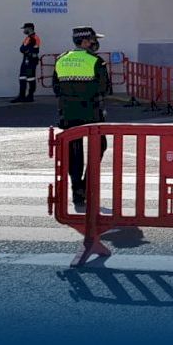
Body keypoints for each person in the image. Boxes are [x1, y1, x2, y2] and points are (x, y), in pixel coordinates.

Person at [54, 26, 109, 209]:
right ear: (85, 41)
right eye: (93, 40)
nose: (95, 43)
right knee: (99, 147)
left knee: (74, 153)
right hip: (92, 114)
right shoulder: (96, 61)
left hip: (68, 113)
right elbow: (104, 88)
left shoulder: (61, 59)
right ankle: (85, 185)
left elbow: (56, 88)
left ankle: (77, 189)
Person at [11, 22, 42, 103]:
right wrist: (25, 50)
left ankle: (29, 96)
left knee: (30, 78)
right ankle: (22, 96)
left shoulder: (34, 38)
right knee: (22, 78)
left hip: (30, 62)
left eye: (25, 28)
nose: (24, 30)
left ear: (29, 28)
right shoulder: (28, 38)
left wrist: (25, 50)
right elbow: (22, 49)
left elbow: (30, 50)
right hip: (26, 61)